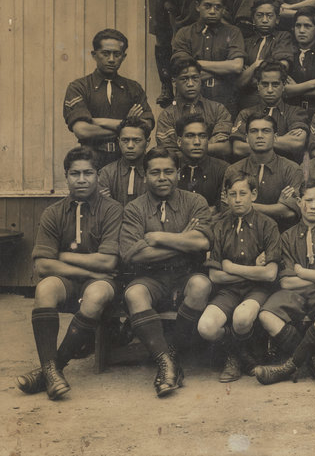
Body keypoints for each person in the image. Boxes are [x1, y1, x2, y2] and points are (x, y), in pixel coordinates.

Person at [16, 147, 121, 400]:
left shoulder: (112, 209)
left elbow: (108, 261)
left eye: (88, 173)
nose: (82, 179)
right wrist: (85, 268)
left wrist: (63, 257)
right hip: (67, 281)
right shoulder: (53, 212)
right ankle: (51, 372)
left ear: (98, 176)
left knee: (96, 294)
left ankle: (51, 370)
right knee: (45, 288)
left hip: (101, 282)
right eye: (75, 174)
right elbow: (43, 265)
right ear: (66, 176)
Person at [119, 147, 213, 396]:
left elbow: (203, 242)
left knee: (201, 285)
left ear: (178, 173)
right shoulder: (134, 209)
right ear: (145, 176)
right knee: (134, 294)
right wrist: (183, 240)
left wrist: (160, 238)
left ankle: (172, 355)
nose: (163, 177)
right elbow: (133, 255)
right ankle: (166, 362)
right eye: (155, 172)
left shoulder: (195, 202)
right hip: (150, 276)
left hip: (186, 274)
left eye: (169, 171)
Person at [252, 178, 315, 385]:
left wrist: (303, 273)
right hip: (292, 293)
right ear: (298, 202)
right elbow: (287, 283)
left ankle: (288, 367)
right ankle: (314, 360)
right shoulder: (286, 237)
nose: (313, 206)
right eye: (308, 200)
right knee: (266, 315)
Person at [198, 174, 280, 383]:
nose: (237, 199)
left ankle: (233, 359)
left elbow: (270, 274)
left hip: (257, 290)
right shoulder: (219, 226)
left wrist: (231, 267)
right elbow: (215, 275)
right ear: (225, 197)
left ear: (254, 194)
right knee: (206, 327)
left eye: (243, 193)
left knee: (242, 318)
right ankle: (241, 354)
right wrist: (254, 270)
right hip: (229, 291)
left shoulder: (267, 225)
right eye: (232, 194)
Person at [63, 29, 155, 169]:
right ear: (94, 55)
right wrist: (126, 125)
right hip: (92, 160)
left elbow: (146, 125)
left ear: (123, 57)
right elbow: (82, 130)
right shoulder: (79, 87)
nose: (111, 59)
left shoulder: (133, 88)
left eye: (117, 54)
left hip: (126, 160)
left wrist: (98, 121)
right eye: (105, 54)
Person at [171, 0, 246, 115]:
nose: (212, 11)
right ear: (197, 6)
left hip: (224, 100)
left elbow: (237, 66)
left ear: (223, 9)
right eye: (207, 6)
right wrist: (223, 70)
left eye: (218, 7)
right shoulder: (184, 33)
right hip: (190, 101)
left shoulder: (233, 32)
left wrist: (197, 64)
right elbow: (184, 69)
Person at [224, 112, 303, 233]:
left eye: (266, 131)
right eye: (254, 131)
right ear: (247, 138)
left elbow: (290, 213)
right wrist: (277, 207)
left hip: (280, 234)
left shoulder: (291, 169)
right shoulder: (233, 170)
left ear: (275, 137)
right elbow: (227, 210)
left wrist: (245, 205)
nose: (259, 136)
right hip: (242, 234)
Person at [155, 57, 232, 159]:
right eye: (184, 79)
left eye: (195, 78)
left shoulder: (218, 109)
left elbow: (224, 148)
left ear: (200, 79)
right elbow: (169, 154)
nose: (190, 84)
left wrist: (185, 147)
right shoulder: (167, 116)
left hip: (212, 166)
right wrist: (208, 143)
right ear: (174, 82)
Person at [231, 62, 309, 161]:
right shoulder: (246, 114)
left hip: (284, 169)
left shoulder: (295, 112)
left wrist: (256, 141)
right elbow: (238, 148)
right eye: (265, 84)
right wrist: (281, 141)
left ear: (283, 86)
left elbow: (297, 143)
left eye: (275, 84)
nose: (270, 90)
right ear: (258, 85)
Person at [236, 0, 295, 104]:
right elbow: (239, 81)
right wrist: (256, 65)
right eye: (259, 15)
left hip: (273, 97)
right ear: (253, 20)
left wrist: (251, 69)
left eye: (269, 16)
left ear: (277, 19)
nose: (264, 20)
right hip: (248, 99)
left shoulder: (283, 37)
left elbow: (281, 66)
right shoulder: (246, 42)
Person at [174, 112, 229, 212]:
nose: (197, 142)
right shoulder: (171, 168)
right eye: (190, 136)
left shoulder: (223, 169)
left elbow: (224, 210)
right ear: (179, 141)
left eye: (202, 136)